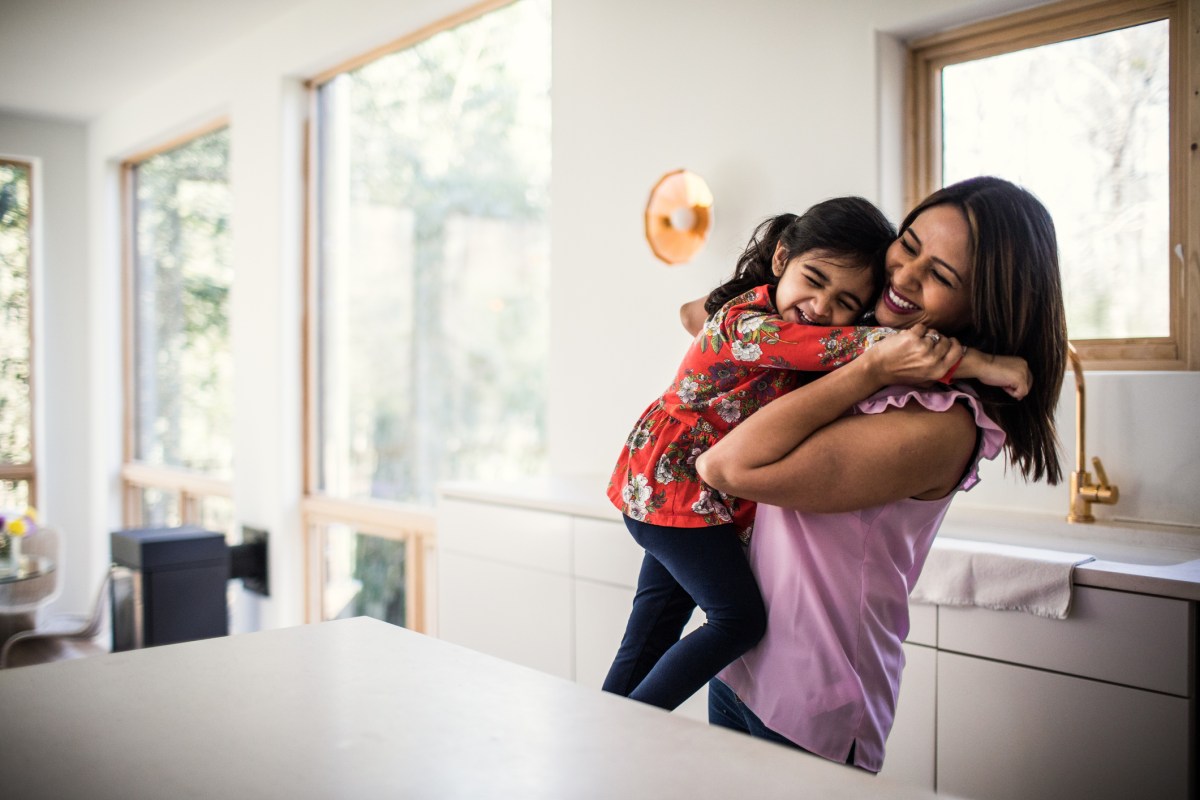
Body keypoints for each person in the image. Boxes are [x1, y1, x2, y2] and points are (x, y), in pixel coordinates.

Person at [690, 176, 1066, 773]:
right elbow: (706, 324)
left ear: (984, 306)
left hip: (812, 700)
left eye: (941, 276)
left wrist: (869, 369)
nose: (904, 275)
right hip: (742, 667)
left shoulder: (939, 423)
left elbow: (727, 466)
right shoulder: (867, 351)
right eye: (908, 244)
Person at [604, 195, 1029, 712]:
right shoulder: (756, 326)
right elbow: (852, 348)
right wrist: (980, 362)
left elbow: (830, 339)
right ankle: (628, 727)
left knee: (654, 625)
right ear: (781, 259)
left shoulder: (775, 321)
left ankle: (610, 720)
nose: (824, 308)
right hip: (675, 489)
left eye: (846, 302)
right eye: (815, 280)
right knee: (734, 621)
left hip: (679, 496)